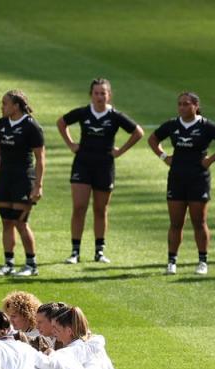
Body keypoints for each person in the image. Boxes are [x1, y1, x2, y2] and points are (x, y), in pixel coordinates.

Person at [57, 78, 143, 264]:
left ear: (109, 95)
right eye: (96, 93)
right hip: (82, 163)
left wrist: (120, 150)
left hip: (104, 166)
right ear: (91, 94)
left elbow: (138, 132)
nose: (99, 97)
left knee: (100, 209)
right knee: (79, 207)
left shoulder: (115, 116)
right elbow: (61, 122)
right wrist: (71, 144)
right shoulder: (83, 112)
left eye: (103, 93)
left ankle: (99, 251)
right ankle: (75, 251)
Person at [149, 92, 215, 276]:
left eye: (186, 104)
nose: (181, 107)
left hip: (198, 179)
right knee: (175, 222)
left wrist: (210, 159)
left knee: (199, 221)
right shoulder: (173, 125)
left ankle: (202, 261)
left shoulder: (206, 126)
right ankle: (172, 261)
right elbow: (153, 139)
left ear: (196, 106)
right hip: (177, 178)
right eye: (179, 104)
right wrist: (164, 156)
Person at [0, 90, 45, 277]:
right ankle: (8, 263)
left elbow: (40, 157)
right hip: (5, 179)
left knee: (21, 222)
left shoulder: (31, 126)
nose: (1, 107)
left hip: (23, 179)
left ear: (16, 106)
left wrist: (38, 185)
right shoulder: (2, 124)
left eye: (5, 103)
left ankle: (31, 264)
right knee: (6, 222)